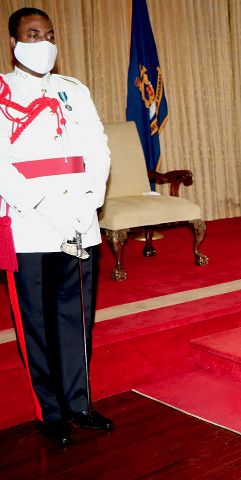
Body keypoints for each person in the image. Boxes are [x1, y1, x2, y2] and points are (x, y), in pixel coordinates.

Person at [0, 8, 112, 445]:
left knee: (76, 314)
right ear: (14, 43)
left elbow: (98, 147)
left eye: (48, 34)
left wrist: (91, 201)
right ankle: (49, 412)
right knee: (36, 322)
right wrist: (45, 204)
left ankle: (78, 403)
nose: (43, 42)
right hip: (30, 222)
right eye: (32, 34)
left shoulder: (74, 89)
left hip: (80, 219)